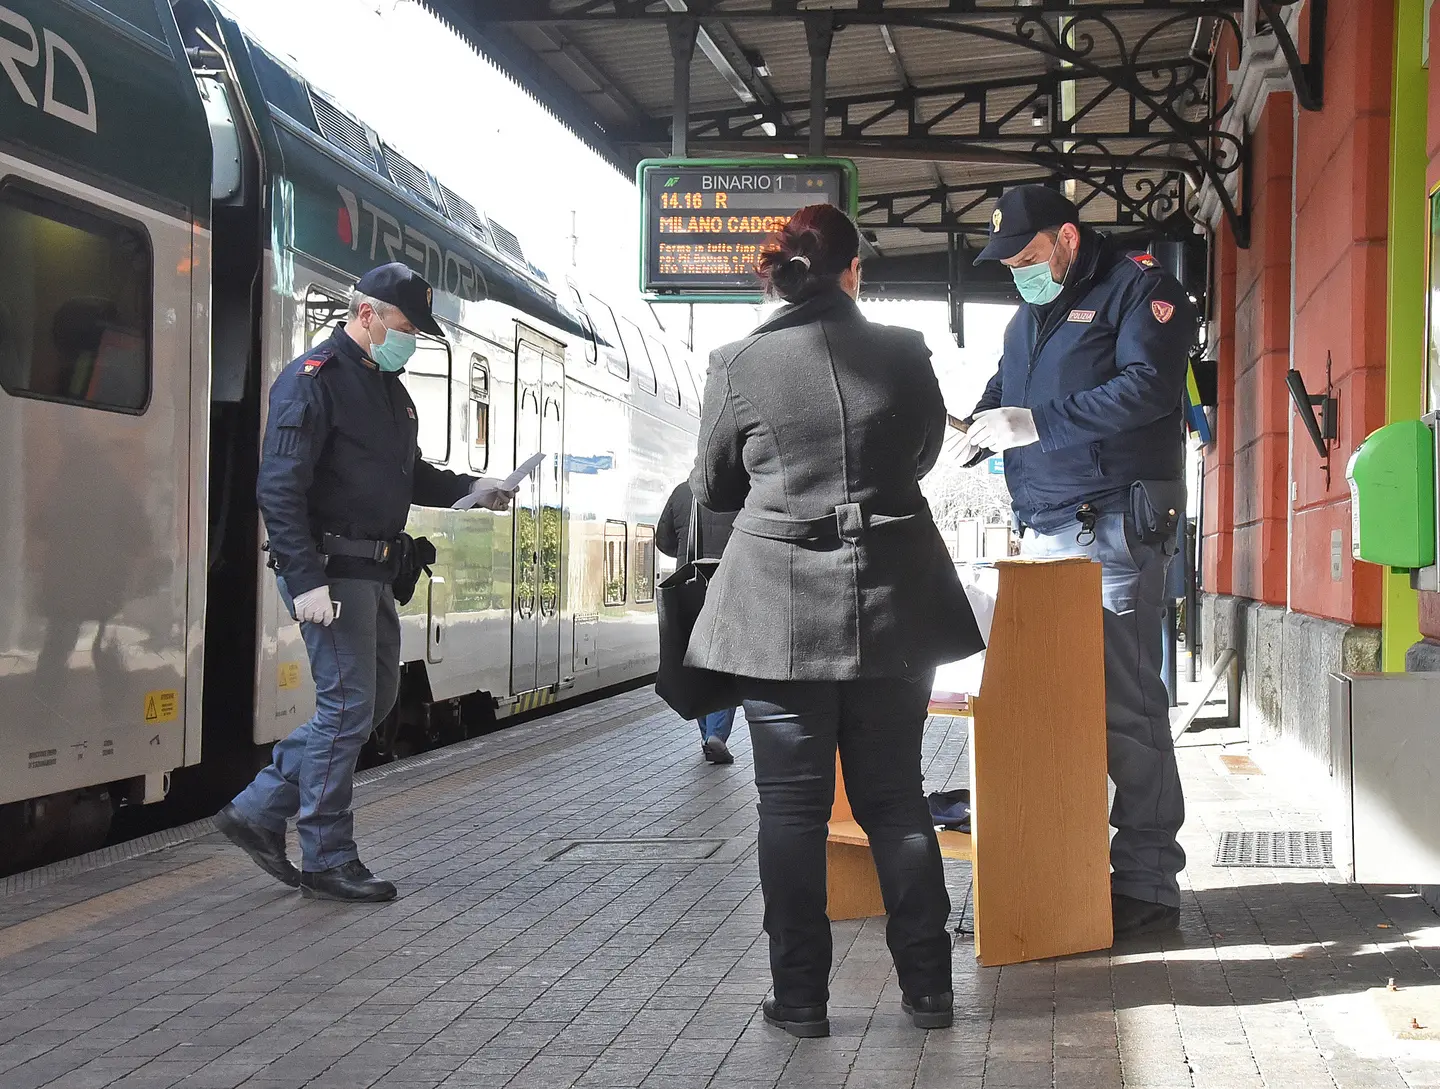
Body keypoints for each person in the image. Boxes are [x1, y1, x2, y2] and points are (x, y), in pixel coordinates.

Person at [686, 204, 984, 1037]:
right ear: (855, 270)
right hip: (894, 600)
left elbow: (712, 486)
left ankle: (801, 999)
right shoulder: (904, 352)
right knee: (896, 800)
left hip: (776, 611)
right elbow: (924, 454)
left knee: (790, 811)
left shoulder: (737, 362)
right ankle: (929, 991)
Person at [215, 263, 518, 903]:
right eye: (404, 326)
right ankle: (326, 857)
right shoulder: (313, 382)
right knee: (346, 709)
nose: (409, 340)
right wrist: (304, 580)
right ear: (367, 313)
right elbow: (279, 488)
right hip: (332, 570)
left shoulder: (386, 389)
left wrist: (472, 488)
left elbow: (408, 476)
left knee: (372, 703)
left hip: (376, 569)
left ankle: (258, 809)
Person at [961, 184, 1197, 940]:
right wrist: (978, 424)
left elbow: (1150, 389)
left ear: (1067, 238)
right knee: (1056, 711)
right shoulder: (1025, 318)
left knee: (1126, 707)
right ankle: (1070, 866)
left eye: (1029, 258)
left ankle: (1149, 881)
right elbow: (1008, 391)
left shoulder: (1142, 290)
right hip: (1044, 533)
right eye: (1009, 265)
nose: (1021, 274)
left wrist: (1034, 423)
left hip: (1111, 530)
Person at [655, 478, 739, 764]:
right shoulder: (744, 490)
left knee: (699, 663)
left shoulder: (682, 493)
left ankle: (708, 734)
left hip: (690, 589)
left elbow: (663, 540)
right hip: (730, 587)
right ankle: (715, 734)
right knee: (724, 665)